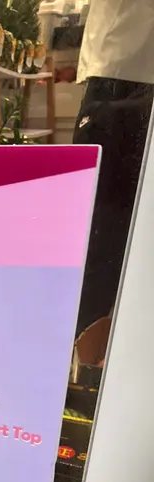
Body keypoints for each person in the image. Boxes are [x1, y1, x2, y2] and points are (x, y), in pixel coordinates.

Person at [73, 0, 154, 335]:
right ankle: (89, 349)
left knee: (103, 235)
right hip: (124, 65)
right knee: (105, 235)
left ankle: (89, 348)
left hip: (124, 69)